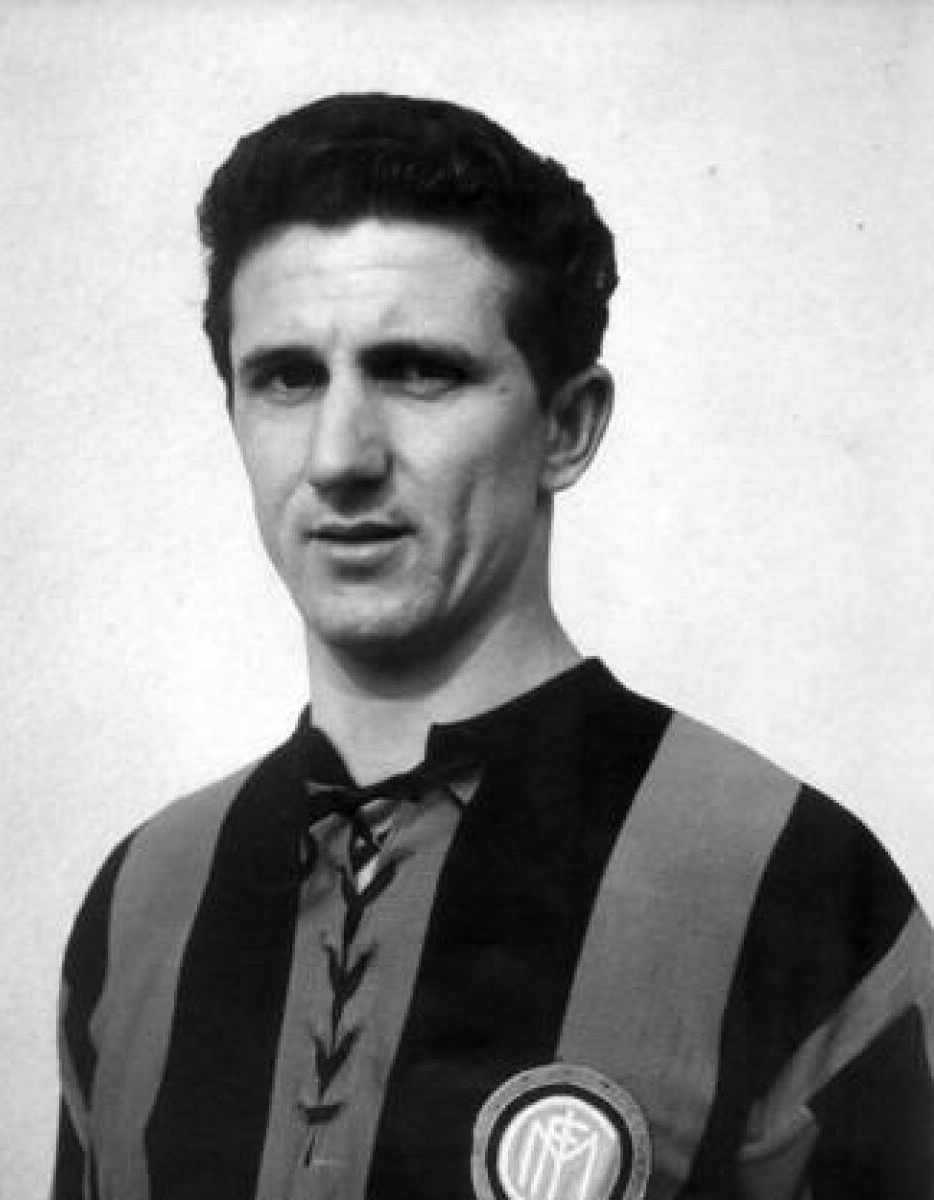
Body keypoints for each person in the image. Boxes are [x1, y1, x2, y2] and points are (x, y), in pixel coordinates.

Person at [52, 93, 933, 1200]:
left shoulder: (798, 883)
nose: (338, 456)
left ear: (567, 427)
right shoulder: (143, 896)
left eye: (418, 370)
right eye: (286, 377)